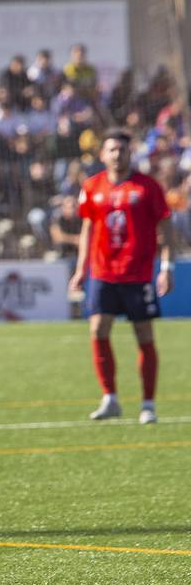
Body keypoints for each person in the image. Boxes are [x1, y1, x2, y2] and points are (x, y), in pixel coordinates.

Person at [69, 129, 177, 424]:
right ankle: (110, 398)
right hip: (102, 272)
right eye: (112, 149)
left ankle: (148, 405)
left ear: (131, 153)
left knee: (143, 334)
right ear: (103, 155)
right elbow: (87, 229)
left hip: (137, 272)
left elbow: (165, 227)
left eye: (122, 149)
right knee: (97, 329)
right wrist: (81, 269)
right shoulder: (92, 186)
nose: (117, 154)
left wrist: (166, 267)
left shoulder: (147, 187)